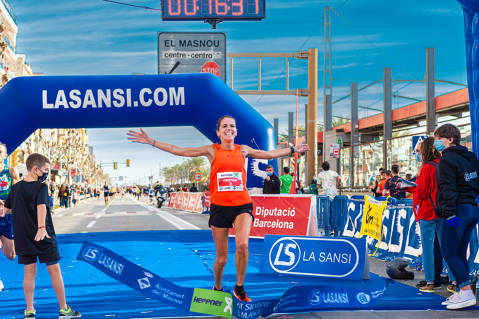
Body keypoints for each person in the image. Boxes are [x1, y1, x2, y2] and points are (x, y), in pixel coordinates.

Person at [127, 116, 309, 301]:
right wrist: (151, 141)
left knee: (243, 245)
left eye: (232, 126)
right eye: (225, 126)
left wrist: (293, 149)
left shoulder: (243, 150)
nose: (229, 129)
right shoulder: (212, 150)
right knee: (221, 259)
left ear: (236, 131)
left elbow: (269, 155)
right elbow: (179, 150)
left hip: (242, 205)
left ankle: (239, 287)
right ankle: (218, 287)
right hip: (220, 208)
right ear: (218, 132)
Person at [2, 153, 81, 318]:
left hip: (23, 237)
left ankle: (30, 310)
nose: (47, 173)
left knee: (29, 273)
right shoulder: (41, 187)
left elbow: (8, 210)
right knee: (54, 271)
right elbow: (41, 207)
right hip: (43, 235)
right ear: (35, 169)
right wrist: (41, 227)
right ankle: (64, 309)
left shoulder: (15, 188)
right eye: (45, 170)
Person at [434, 124, 479, 310]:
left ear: (450, 139)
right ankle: (461, 292)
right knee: (460, 251)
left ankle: (466, 290)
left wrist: (449, 212)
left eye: (439, 139)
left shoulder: (447, 159)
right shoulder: (470, 157)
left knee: (449, 252)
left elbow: (447, 188)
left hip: (457, 210)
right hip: (471, 209)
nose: (436, 143)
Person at [412, 137, 446, 293]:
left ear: (425, 151)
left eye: (419, 151)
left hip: (428, 212)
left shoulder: (426, 168)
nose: (418, 153)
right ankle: (453, 281)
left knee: (428, 248)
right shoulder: (444, 164)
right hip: (443, 211)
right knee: (445, 248)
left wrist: (413, 189)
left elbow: (422, 192)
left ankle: (431, 282)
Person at [0, 142, 19, 291]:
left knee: (11, 255)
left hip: (8, 218)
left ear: (5, 155)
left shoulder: (11, 171)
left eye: (0, 152)